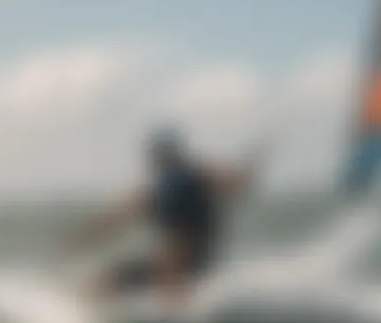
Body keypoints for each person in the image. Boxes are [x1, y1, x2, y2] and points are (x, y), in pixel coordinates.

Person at [69, 128, 262, 307]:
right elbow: (116, 219)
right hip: (181, 261)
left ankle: (178, 315)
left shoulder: (195, 176)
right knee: (110, 279)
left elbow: (235, 184)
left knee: (170, 253)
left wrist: (248, 167)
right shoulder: (158, 189)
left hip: (194, 255)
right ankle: (83, 310)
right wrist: (83, 240)